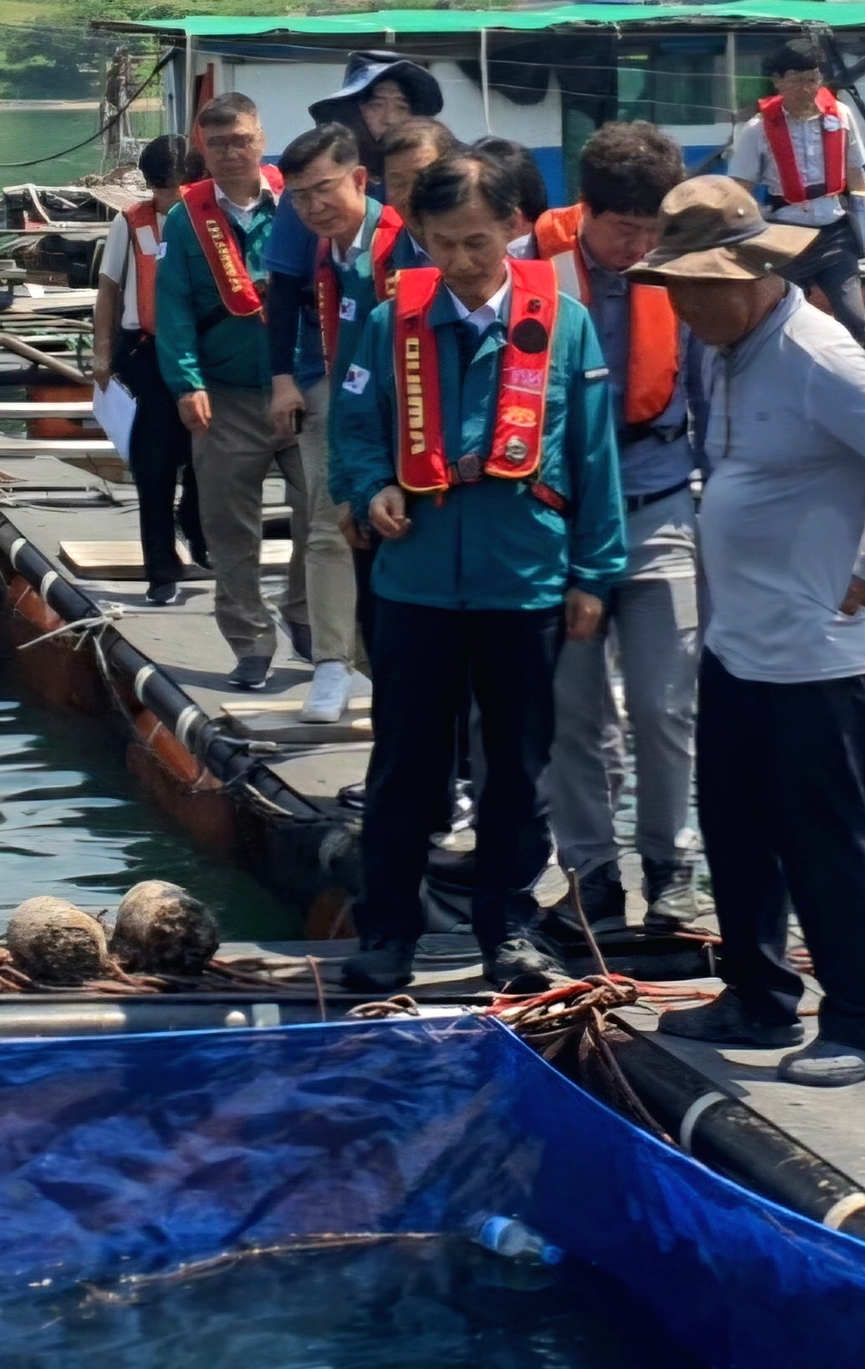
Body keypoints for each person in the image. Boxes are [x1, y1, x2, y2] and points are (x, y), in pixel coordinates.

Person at [644, 175, 865, 1089]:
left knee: (826, 842)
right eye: (675, 286)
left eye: (697, 287)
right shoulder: (721, 351)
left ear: (749, 275)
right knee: (736, 828)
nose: (684, 305)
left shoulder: (819, 352)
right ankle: (756, 992)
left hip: (818, 656)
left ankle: (862, 1019)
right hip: (738, 641)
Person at [328, 150, 628, 998]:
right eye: (441, 244)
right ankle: (388, 931)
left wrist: (595, 574)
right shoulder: (392, 324)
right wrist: (369, 485)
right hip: (415, 582)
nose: (460, 262)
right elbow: (353, 427)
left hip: (525, 579)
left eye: (476, 242)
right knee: (404, 768)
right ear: (417, 237)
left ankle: (509, 929)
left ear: (514, 230)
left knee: (517, 769)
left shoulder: (563, 325)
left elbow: (591, 453)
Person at [537, 121, 711, 942]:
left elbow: (713, 396)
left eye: (652, 229)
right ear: (585, 213)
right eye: (622, 229)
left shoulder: (684, 279)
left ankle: (672, 870)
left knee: (665, 700)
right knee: (574, 711)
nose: (637, 244)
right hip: (563, 527)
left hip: (659, 504)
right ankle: (590, 875)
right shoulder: (535, 279)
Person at [160, 92, 356, 695]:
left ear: (261, 137)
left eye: (240, 139)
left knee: (319, 516)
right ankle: (249, 640)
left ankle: (304, 616)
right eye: (216, 143)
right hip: (222, 395)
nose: (230, 153)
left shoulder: (298, 205)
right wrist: (186, 382)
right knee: (229, 528)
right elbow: (172, 310)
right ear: (202, 147)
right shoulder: (183, 218)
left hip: (301, 386)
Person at [279, 120, 429, 725]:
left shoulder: (406, 242)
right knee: (326, 521)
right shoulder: (326, 249)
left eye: (325, 189)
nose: (314, 206)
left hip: (417, 410)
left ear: (361, 179)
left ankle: (390, 673)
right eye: (299, 196)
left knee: (400, 534)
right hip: (347, 401)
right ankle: (331, 663)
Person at [266, 55, 442, 415]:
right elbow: (282, 287)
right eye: (376, 105)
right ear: (351, 110)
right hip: (328, 364)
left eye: (401, 106)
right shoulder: (310, 184)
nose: (389, 117)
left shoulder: (431, 180)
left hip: (415, 370)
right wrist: (281, 377)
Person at [98, 134, 208, 604]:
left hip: (203, 357)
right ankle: (161, 569)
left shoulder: (211, 222)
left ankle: (198, 526)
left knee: (206, 461)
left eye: (177, 188)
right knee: (155, 464)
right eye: (160, 189)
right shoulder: (131, 223)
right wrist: (102, 352)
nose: (170, 198)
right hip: (147, 352)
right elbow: (109, 289)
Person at [726, 35, 865, 341]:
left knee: (854, 321)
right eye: (797, 80)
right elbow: (738, 189)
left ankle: (847, 383)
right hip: (785, 236)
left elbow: (856, 176)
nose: (807, 89)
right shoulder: (757, 129)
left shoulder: (841, 115)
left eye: (813, 79)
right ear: (778, 81)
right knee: (774, 324)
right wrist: (742, 241)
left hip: (835, 233)